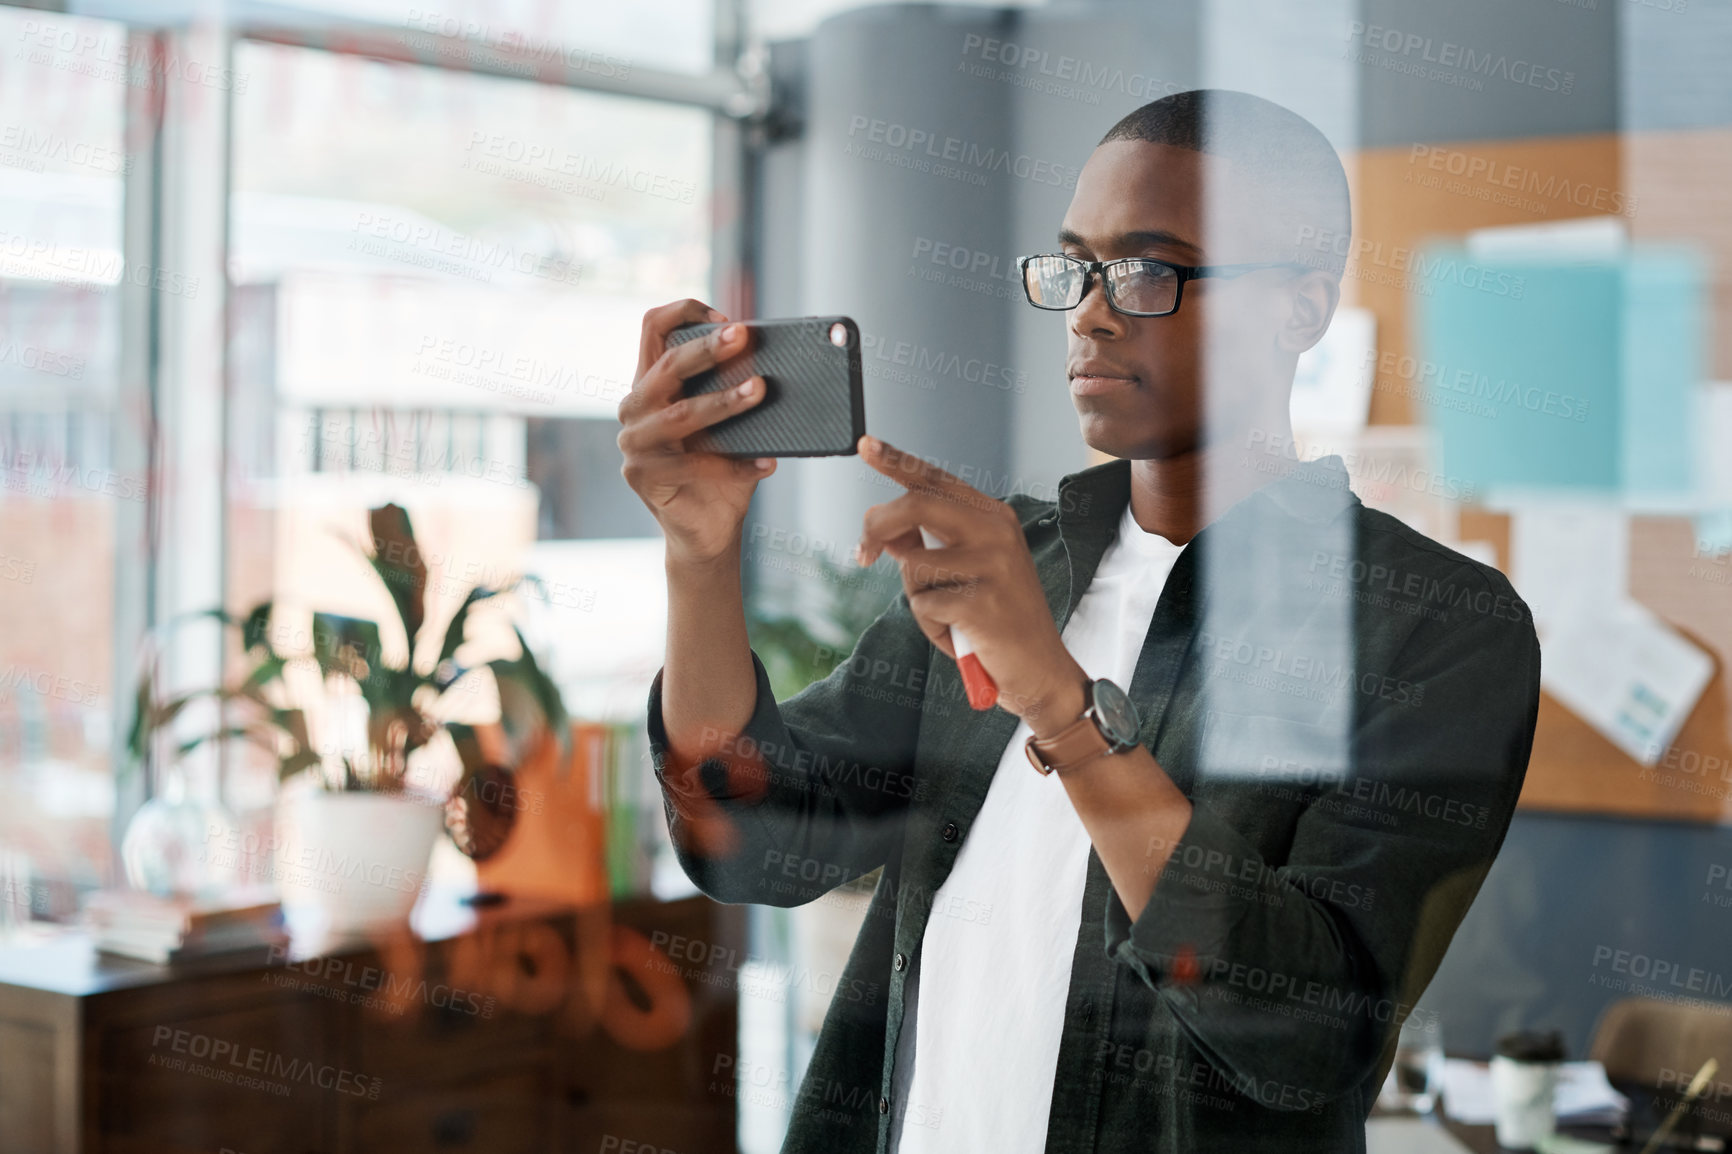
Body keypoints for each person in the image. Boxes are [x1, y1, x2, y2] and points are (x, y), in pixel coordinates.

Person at [616, 88, 1540, 1154]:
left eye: (1149, 270)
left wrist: (1059, 702)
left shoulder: (1432, 624)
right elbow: (753, 841)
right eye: (1074, 268)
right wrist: (698, 555)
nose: (1091, 312)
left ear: (1299, 308)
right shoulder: (1012, 562)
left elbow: (1301, 1030)